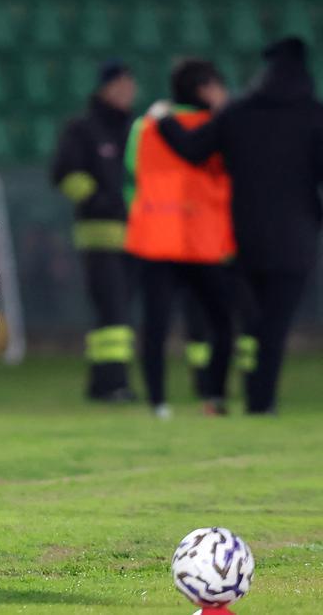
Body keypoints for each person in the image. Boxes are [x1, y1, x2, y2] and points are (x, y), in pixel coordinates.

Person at [150, 37, 323, 414]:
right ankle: (261, 401)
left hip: (242, 236)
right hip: (296, 238)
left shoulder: (238, 112)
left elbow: (193, 150)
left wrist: (164, 120)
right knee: (274, 326)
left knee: (251, 321)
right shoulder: (314, 115)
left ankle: (232, 393)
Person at [124, 59, 236, 418]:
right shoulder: (219, 126)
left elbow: (131, 170)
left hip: (156, 235)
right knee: (222, 323)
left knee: (155, 326)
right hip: (203, 238)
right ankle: (214, 396)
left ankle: (158, 402)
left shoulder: (144, 126)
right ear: (207, 88)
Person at [51, 60, 139, 403]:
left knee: (116, 315)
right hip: (100, 235)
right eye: (120, 85)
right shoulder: (84, 129)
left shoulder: (134, 128)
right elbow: (65, 173)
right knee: (113, 313)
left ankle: (103, 383)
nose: (127, 91)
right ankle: (114, 384)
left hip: (136, 235)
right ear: (105, 88)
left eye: (129, 85)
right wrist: (102, 202)